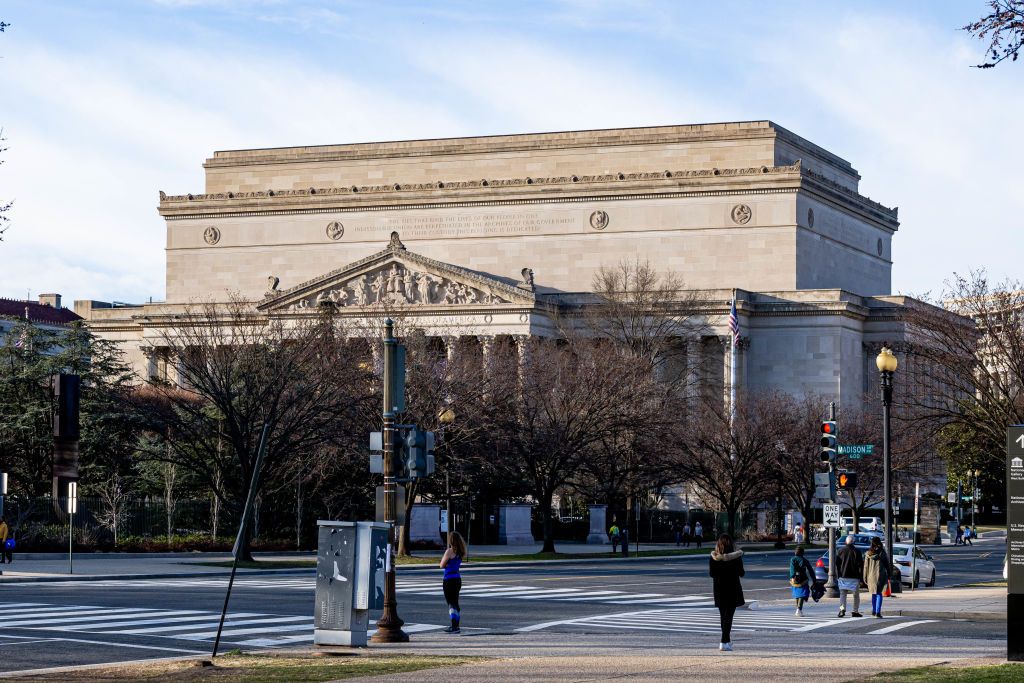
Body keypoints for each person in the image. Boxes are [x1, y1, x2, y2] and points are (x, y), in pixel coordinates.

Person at [709, 534, 745, 651]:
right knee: (728, 617)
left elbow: (712, 574)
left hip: (719, 590)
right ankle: (724, 642)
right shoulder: (736, 557)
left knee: (723, 617)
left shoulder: (714, 557)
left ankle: (727, 641)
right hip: (732, 589)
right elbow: (742, 573)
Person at [439, 531, 466, 634]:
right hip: (457, 579)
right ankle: (456, 625)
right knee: (455, 602)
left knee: (451, 603)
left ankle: (454, 626)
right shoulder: (461, 551)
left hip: (448, 579)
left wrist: (445, 564)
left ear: (451, 540)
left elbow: (441, 565)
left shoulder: (449, 551)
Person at [835, 535, 863, 618]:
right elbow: (860, 566)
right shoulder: (857, 551)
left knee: (843, 595)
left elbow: (837, 564)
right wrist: (861, 578)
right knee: (856, 596)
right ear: (853, 542)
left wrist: (838, 575)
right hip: (854, 577)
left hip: (843, 576)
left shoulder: (840, 551)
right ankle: (855, 611)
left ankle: (842, 610)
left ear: (845, 542)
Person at [863, 536, 890, 618]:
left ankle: (874, 611)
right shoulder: (882, 552)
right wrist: (889, 574)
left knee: (873, 594)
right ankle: (878, 612)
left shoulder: (868, 553)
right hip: (880, 575)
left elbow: (866, 566)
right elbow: (887, 565)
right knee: (879, 593)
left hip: (871, 576)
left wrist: (865, 577)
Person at [789, 545, 814, 616]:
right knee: (802, 595)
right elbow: (811, 571)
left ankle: (798, 609)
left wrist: (793, 577)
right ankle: (799, 609)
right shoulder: (805, 560)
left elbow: (792, 569)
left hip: (794, 581)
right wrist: (814, 580)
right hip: (803, 580)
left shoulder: (792, 559)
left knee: (797, 595)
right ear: (802, 553)